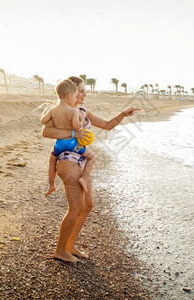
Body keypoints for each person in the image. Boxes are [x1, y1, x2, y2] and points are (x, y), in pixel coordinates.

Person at [42, 76, 140, 263]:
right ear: (71, 93)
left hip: (81, 161)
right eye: (82, 90)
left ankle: (70, 245)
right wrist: (73, 133)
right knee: (76, 206)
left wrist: (123, 114)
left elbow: (107, 125)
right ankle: (60, 250)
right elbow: (46, 132)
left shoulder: (83, 111)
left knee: (87, 206)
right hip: (67, 160)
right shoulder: (62, 111)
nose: (85, 94)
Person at [41, 79, 95, 194]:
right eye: (75, 96)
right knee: (91, 157)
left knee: (52, 162)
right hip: (72, 144)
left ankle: (51, 185)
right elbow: (76, 126)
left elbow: (43, 120)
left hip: (59, 144)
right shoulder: (73, 111)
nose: (76, 99)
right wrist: (81, 122)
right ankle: (84, 179)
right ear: (69, 96)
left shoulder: (53, 110)